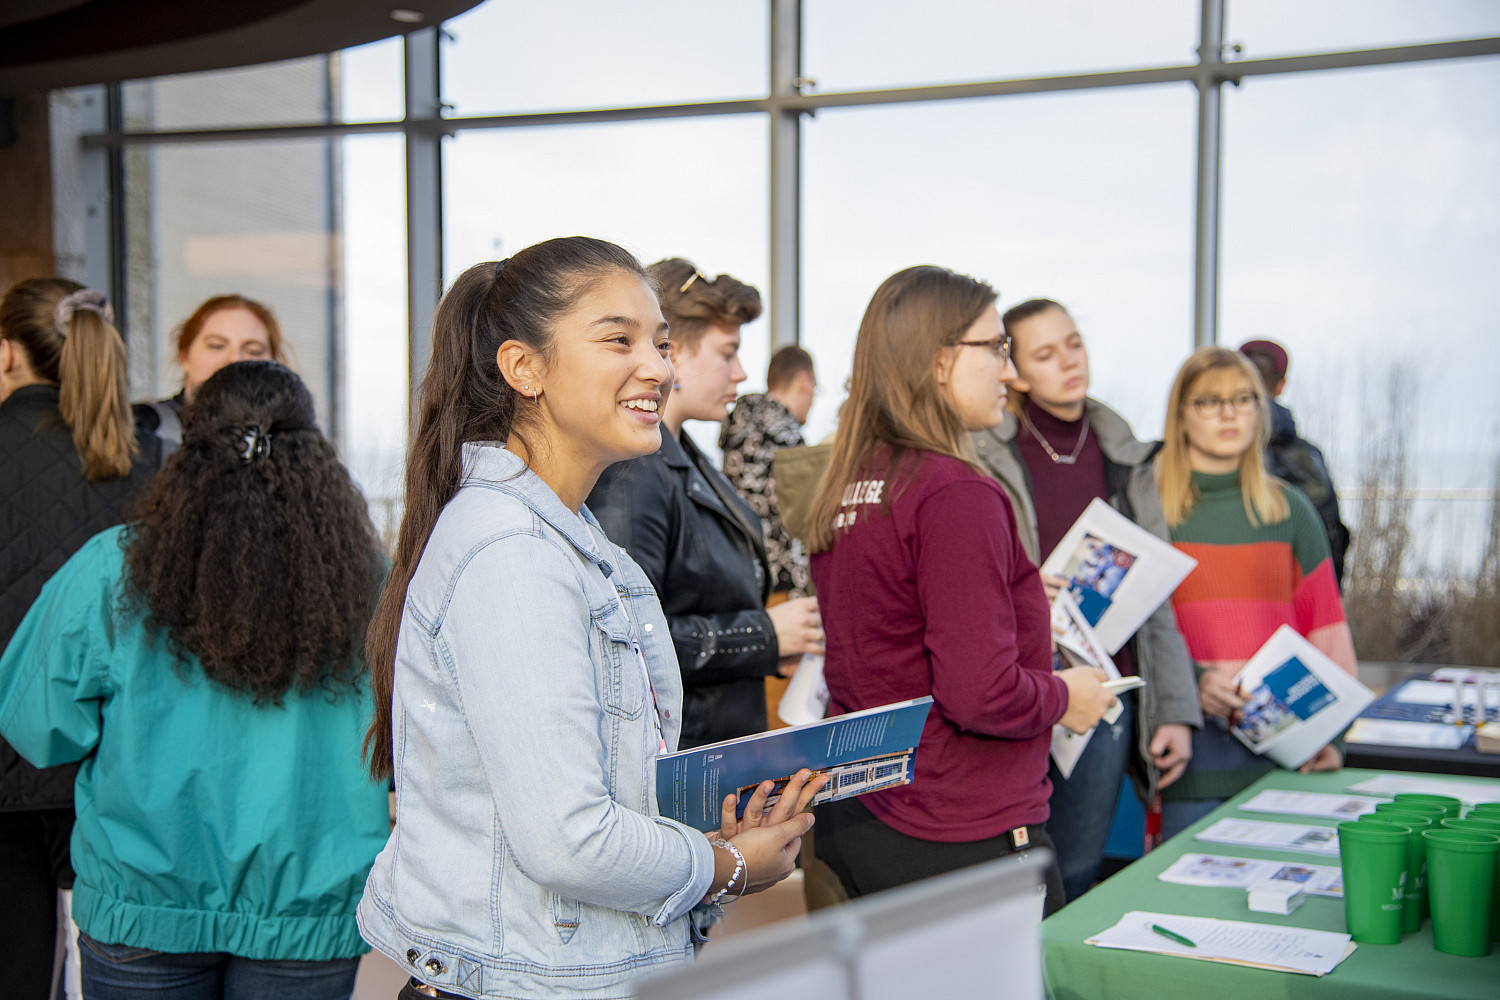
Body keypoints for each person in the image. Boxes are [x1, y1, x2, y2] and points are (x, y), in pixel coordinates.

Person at [357, 239, 819, 1000]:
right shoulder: (513, 552)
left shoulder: (565, 536)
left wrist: (709, 843)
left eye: (662, 343)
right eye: (619, 340)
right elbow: (568, 840)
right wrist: (728, 866)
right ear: (523, 368)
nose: (660, 368)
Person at [0, 360, 389, 1000]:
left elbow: (40, 730)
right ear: (318, 454)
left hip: (143, 903)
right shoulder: (375, 585)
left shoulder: (111, 569)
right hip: (308, 911)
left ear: (188, 450)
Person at [804, 266, 1116, 915]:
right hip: (958, 826)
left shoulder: (855, 483)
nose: (1012, 373)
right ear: (939, 359)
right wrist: (1067, 696)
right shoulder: (955, 493)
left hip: (866, 817)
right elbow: (982, 694)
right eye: (997, 348)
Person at [970, 298, 1201, 902]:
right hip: (1017, 685)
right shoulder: (985, 450)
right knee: (1009, 877)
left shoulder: (1125, 455)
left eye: (1074, 343)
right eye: (1045, 353)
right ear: (1013, 370)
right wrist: (1016, 587)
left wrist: (1174, 708)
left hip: (1104, 691)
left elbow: (1157, 599)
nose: (1069, 361)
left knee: (1076, 870)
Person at [587, 259, 824, 748]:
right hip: (681, 766)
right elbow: (625, 639)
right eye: (728, 352)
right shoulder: (632, 474)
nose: (740, 372)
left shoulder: (688, 462)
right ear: (675, 353)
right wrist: (763, 635)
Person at [0, 277, 160, 1000]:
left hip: (7, 758)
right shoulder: (148, 462)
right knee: (121, 966)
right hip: (114, 761)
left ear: (7, 356)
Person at [1155, 347, 1357, 839]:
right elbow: (1138, 633)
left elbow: (1327, 630)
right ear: (1181, 415)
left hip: (1286, 747)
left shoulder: (1290, 509)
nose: (1229, 413)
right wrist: (1193, 683)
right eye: (1209, 401)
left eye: (1243, 399)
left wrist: (1335, 735)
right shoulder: (1153, 510)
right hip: (1190, 750)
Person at [1238, 338, 1350, 587]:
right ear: (1281, 386)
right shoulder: (1308, 458)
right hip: (1295, 603)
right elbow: (1329, 541)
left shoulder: (1212, 454)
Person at [720, 344, 818, 598]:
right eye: (815, 389)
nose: (813, 399)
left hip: (742, 574)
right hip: (783, 583)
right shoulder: (786, 439)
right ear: (803, 380)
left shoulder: (739, 427)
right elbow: (804, 518)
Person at [134, 294, 285, 453]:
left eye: (254, 351)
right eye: (216, 346)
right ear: (184, 356)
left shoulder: (288, 442)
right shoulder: (142, 428)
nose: (234, 359)